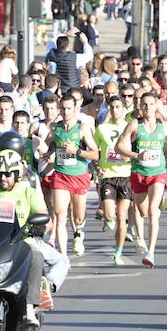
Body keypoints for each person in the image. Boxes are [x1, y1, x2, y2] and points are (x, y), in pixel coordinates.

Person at [0, 150, 65, 324]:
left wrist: (38, 227)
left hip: (22, 242)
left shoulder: (28, 193)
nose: (3, 178)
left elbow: (46, 219)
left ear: (17, 174)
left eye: (8, 174)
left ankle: (30, 307)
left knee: (37, 256)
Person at [115, 92, 167, 268]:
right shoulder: (135, 125)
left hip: (158, 173)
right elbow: (118, 146)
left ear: (156, 106)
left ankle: (151, 252)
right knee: (142, 213)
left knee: (152, 210)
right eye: (144, 105)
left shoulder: (164, 126)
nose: (148, 108)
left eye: (151, 104)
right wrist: (136, 155)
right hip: (139, 173)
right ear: (140, 107)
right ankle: (157, 202)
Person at [46, 94, 99, 256]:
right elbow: (53, 145)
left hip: (79, 176)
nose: (66, 111)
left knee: (78, 217)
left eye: (69, 108)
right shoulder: (56, 128)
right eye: (63, 108)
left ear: (75, 109)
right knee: (60, 214)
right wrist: (47, 154)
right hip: (61, 176)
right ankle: (63, 256)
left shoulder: (82, 128)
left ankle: (79, 233)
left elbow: (96, 154)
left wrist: (76, 151)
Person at [93, 95, 133, 265]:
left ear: (124, 109)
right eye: (112, 107)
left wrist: (129, 159)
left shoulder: (130, 127)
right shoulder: (102, 129)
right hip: (108, 176)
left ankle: (118, 252)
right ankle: (108, 220)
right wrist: (96, 166)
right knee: (110, 214)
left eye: (118, 107)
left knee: (122, 216)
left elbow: (137, 151)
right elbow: (94, 151)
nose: (115, 110)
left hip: (125, 176)